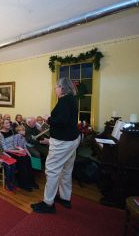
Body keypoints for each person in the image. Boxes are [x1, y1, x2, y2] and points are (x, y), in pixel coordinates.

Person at [32, 78, 81, 214]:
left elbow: (61, 121)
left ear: (62, 88)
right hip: (71, 140)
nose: (55, 89)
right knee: (66, 170)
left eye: (56, 87)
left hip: (63, 142)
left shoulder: (65, 101)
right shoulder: (71, 99)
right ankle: (65, 198)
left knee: (52, 170)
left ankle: (48, 203)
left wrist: (48, 118)